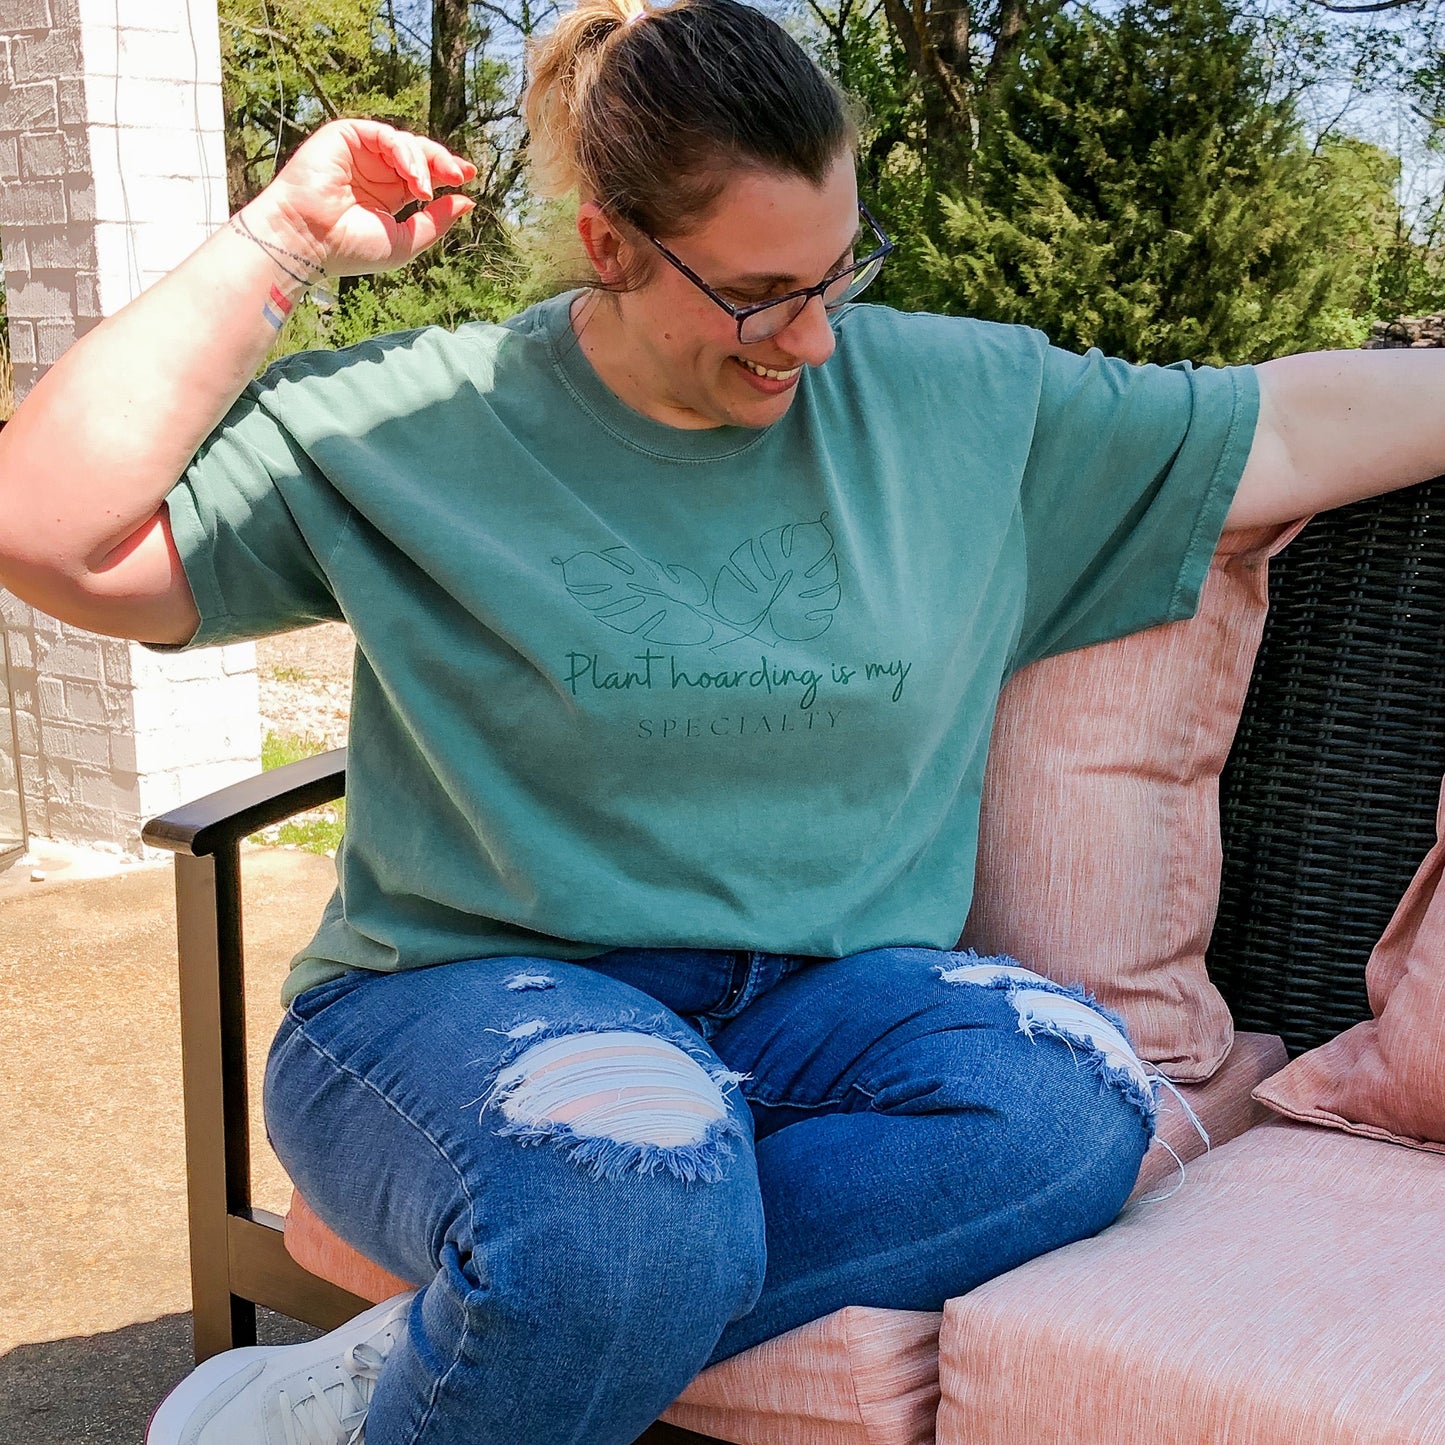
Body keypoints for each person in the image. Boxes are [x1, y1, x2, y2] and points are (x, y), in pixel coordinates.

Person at [1, 0, 1442, 1440]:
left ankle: (452, 1351)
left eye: (837, 274)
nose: (810, 339)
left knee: (1065, 1111)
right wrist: (281, 238)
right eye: (759, 293)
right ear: (609, 243)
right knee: (628, 1202)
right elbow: (49, 531)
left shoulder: (955, 408)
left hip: (824, 997)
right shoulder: (412, 423)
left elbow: (1287, 425)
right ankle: (577, 1271)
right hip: (460, 994)